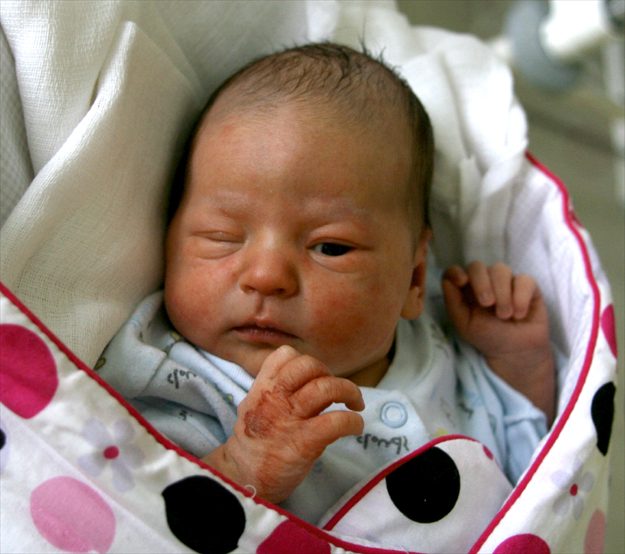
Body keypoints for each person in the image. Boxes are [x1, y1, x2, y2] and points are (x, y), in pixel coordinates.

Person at [98, 43, 555, 524]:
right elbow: (126, 521)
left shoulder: (439, 349)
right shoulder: (172, 377)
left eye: (331, 248)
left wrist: (518, 363)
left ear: (415, 278)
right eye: (222, 237)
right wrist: (238, 468)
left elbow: (530, 473)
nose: (265, 277)